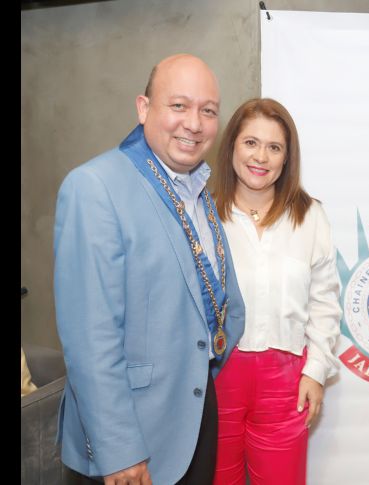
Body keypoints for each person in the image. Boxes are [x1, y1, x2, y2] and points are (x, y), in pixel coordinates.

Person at [54, 54, 245, 485]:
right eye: (178, 105)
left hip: (193, 417)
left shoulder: (197, 190)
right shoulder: (95, 187)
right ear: (143, 108)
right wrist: (119, 450)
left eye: (208, 110)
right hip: (128, 441)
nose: (193, 123)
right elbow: (90, 338)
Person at [211, 98, 342, 485]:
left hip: (286, 383)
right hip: (217, 377)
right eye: (251, 143)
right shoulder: (204, 214)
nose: (261, 157)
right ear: (232, 145)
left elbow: (324, 302)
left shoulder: (310, 216)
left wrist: (315, 372)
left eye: (274, 147)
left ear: (287, 158)